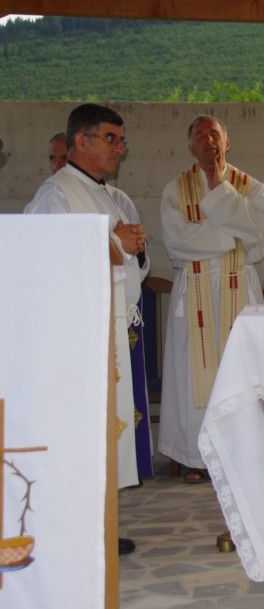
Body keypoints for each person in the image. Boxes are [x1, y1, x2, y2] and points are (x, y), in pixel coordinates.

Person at [26, 103, 148, 555]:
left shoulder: (111, 196)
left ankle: (99, 529)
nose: (119, 148)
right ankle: (73, 532)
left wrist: (135, 248)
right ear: (81, 140)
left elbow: (130, 265)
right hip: (75, 335)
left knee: (106, 432)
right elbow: (45, 259)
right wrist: (118, 243)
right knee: (81, 432)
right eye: (110, 138)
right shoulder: (56, 195)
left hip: (109, 328)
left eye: (121, 140)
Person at [158, 115, 264, 483]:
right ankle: (196, 457)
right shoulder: (174, 191)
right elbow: (177, 243)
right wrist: (231, 237)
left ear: (227, 141)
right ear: (190, 145)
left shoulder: (254, 188)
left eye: (215, 134)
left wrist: (219, 221)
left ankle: (245, 454)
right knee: (194, 373)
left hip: (240, 289)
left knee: (242, 370)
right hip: (195, 290)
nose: (208, 141)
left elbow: (254, 229)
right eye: (200, 135)